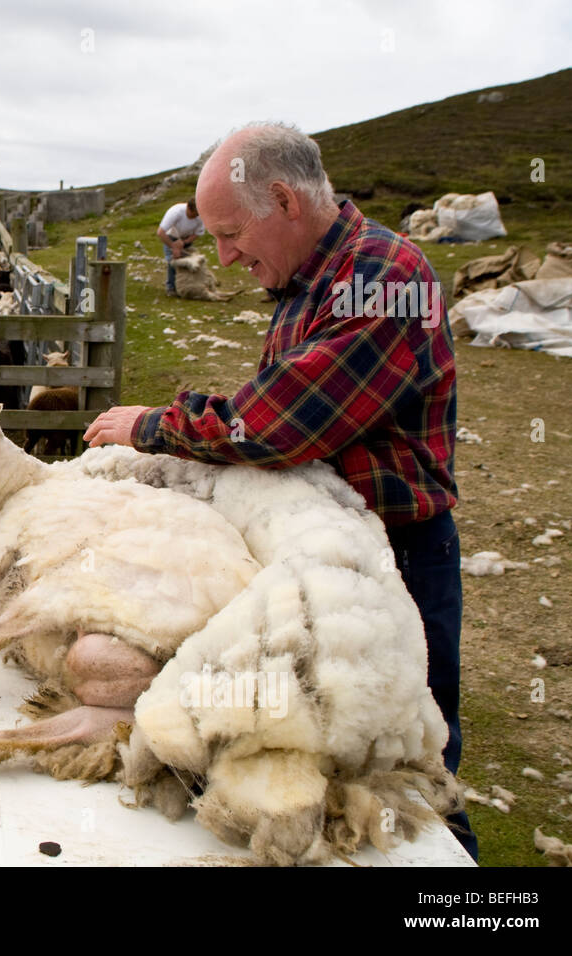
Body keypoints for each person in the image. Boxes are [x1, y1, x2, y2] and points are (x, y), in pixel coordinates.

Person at [84, 121, 478, 861]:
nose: (225, 257)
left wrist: (154, 426)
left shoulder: (383, 280)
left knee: (401, 773)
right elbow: (275, 408)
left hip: (391, 560)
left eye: (233, 234)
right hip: (312, 545)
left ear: (287, 203)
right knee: (315, 743)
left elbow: (276, 426)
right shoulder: (309, 282)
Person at [157, 197, 204, 294]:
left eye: (197, 215)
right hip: (171, 236)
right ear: (188, 208)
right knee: (173, 261)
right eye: (193, 214)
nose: (195, 217)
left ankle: (189, 286)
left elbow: (198, 233)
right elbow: (160, 232)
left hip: (186, 238)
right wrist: (173, 246)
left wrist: (185, 242)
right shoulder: (176, 212)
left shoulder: (200, 215)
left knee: (191, 261)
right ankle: (171, 288)